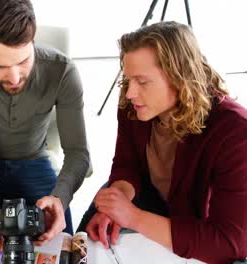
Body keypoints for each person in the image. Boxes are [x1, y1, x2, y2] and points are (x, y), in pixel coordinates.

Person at [77, 21, 247, 264]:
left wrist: (132, 217)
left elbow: (231, 243)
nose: (129, 93)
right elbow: (127, 163)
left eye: (142, 81)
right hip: (151, 197)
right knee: (84, 239)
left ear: (180, 78)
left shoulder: (235, 132)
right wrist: (118, 199)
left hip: (198, 219)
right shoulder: (133, 104)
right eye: (128, 80)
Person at [0, 0, 90, 256]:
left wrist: (60, 198)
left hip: (34, 158)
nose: (14, 77)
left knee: (58, 241)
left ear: (33, 40)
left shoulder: (63, 71)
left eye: (23, 61)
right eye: (0, 66)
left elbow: (78, 153)